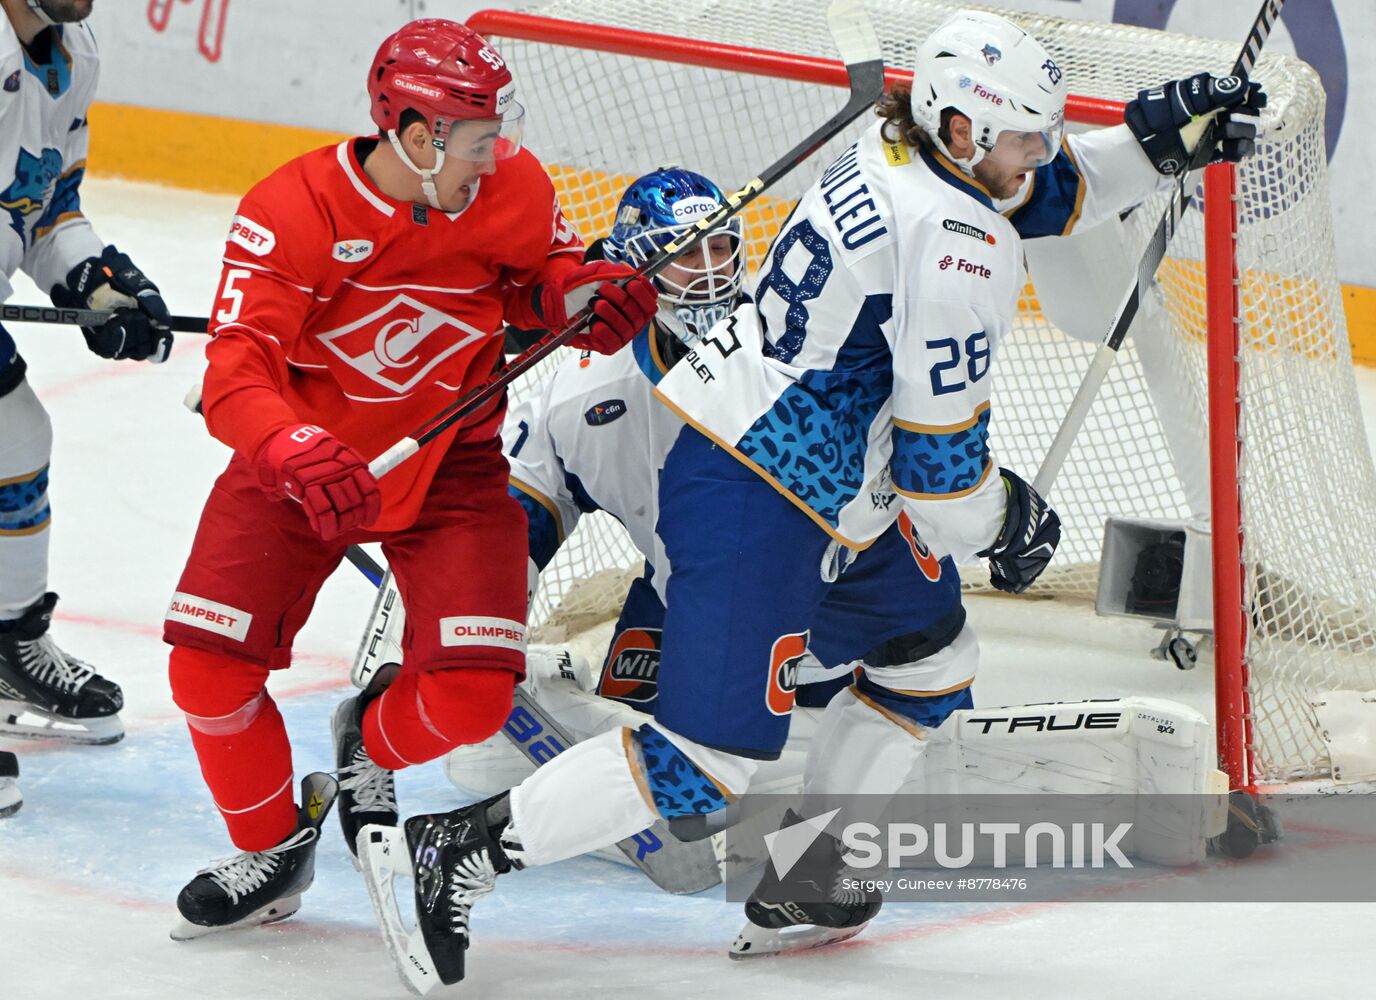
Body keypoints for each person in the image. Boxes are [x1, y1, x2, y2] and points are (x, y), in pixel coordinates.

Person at [361, 9, 1266, 986]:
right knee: (704, 761)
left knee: (926, 656)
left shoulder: (895, 150)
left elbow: (1035, 190)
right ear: (959, 130)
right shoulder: (959, 246)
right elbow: (938, 477)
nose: (1033, 154)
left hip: (814, 475)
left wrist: (1146, 139)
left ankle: (813, 870)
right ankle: (462, 847)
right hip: (757, 493)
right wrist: (1006, 519)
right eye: (1019, 135)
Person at [162, 17, 656, 940]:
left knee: (474, 695)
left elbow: (539, 282)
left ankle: (368, 740)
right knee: (206, 672)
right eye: (477, 136)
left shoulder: (512, 185)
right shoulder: (291, 208)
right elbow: (237, 368)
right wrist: (288, 450)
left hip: (454, 465)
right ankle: (273, 848)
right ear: (420, 135)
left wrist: (583, 299)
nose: (494, 150)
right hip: (305, 466)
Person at [445, 168, 970, 830]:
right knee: (694, 794)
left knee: (936, 687)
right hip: (700, 609)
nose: (711, 271)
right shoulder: (582, 398)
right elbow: (514, 524)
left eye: (720, 248)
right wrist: (483, 639)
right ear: (635, 264)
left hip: (838, 587)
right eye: (685, 253)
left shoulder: (800, 345)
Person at [1, 0, 173, 749]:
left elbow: (41, 212)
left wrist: (95, 282)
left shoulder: (75, 56)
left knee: (16, 438)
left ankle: (9, 642)